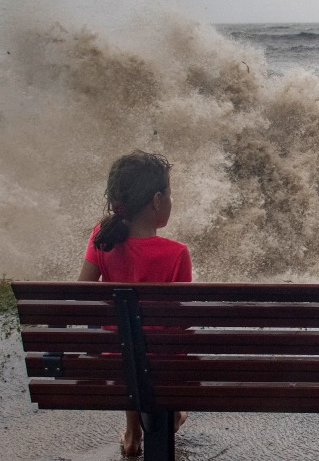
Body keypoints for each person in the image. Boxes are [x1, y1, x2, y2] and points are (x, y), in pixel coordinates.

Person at [78, 150, 193, 457]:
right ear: (157, 200)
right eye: (169, 194)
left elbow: (81, 294)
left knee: (128, 345)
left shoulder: (101, 238)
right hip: (161, 365)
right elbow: (179, 325)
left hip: (114, 360)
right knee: (157, 348)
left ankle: (133, 433)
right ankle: (169, 417)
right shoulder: (176, 253)